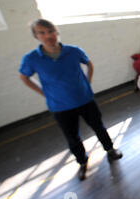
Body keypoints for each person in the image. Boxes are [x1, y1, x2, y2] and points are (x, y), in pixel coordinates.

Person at [19, 19, 122, 181]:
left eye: (50, 31)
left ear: (57, 32)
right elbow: (24, 77)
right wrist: (44, 92)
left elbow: (89, 64)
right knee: (72, 137)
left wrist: (87, 83)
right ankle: (82, 162)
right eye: (42, 32)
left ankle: (110, 150)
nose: (48, 36)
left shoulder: (73, 51)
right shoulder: (31, 58)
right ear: (36, 36)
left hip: (85, 100)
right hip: (60, 106)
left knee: (98, 126)